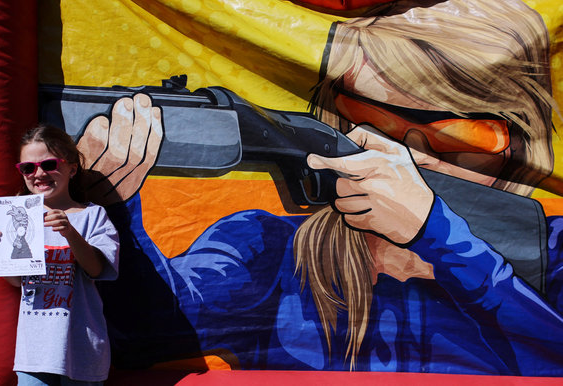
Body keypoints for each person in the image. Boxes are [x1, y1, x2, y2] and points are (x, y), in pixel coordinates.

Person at [74, 0, 563, 376]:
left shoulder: (553, 252)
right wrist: (116, 206)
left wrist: (436, 232)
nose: (407, 159)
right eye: (372, 123)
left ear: (519, 143)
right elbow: (145, 335)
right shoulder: (265, 250)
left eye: (463, 137)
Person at [0, 124, 120, 385]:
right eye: (28, 168)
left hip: (83, 347)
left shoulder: (92, 215)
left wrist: (70, 233)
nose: (39, 174)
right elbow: (21, 283)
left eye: (49, 164)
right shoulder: (18, 217)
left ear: (72, 168)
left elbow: (97, 270)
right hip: (35, 351)